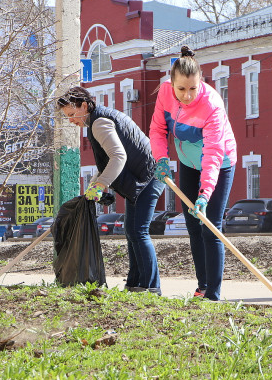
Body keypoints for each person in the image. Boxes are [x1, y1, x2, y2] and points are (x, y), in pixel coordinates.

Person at [149, 46, 237, 301]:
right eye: (181, 89)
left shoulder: (212, 106)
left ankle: (214, 294)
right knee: (192, 224)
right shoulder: (165, 92)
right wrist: (162, 159)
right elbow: (157, 130)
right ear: (172, 82)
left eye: (193, 89)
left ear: (201, 83)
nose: (187, 95)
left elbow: (212, 153)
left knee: (210, 225)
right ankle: (203, 285)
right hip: (187, 161)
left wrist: (205, 193)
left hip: (219, 163)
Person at [58, 86, 165, 294]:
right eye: (67, 117)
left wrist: (100, 184)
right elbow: (107, 161)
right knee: (132, 231)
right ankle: (135, 285)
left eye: (72, 114)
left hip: (149, 177)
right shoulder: (97, 120)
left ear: (85, 105)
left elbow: (118, 157)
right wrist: (95, 183)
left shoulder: (99, 123)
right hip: (142, 178)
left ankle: (151, 288)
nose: (71, 120)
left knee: (139, 232)